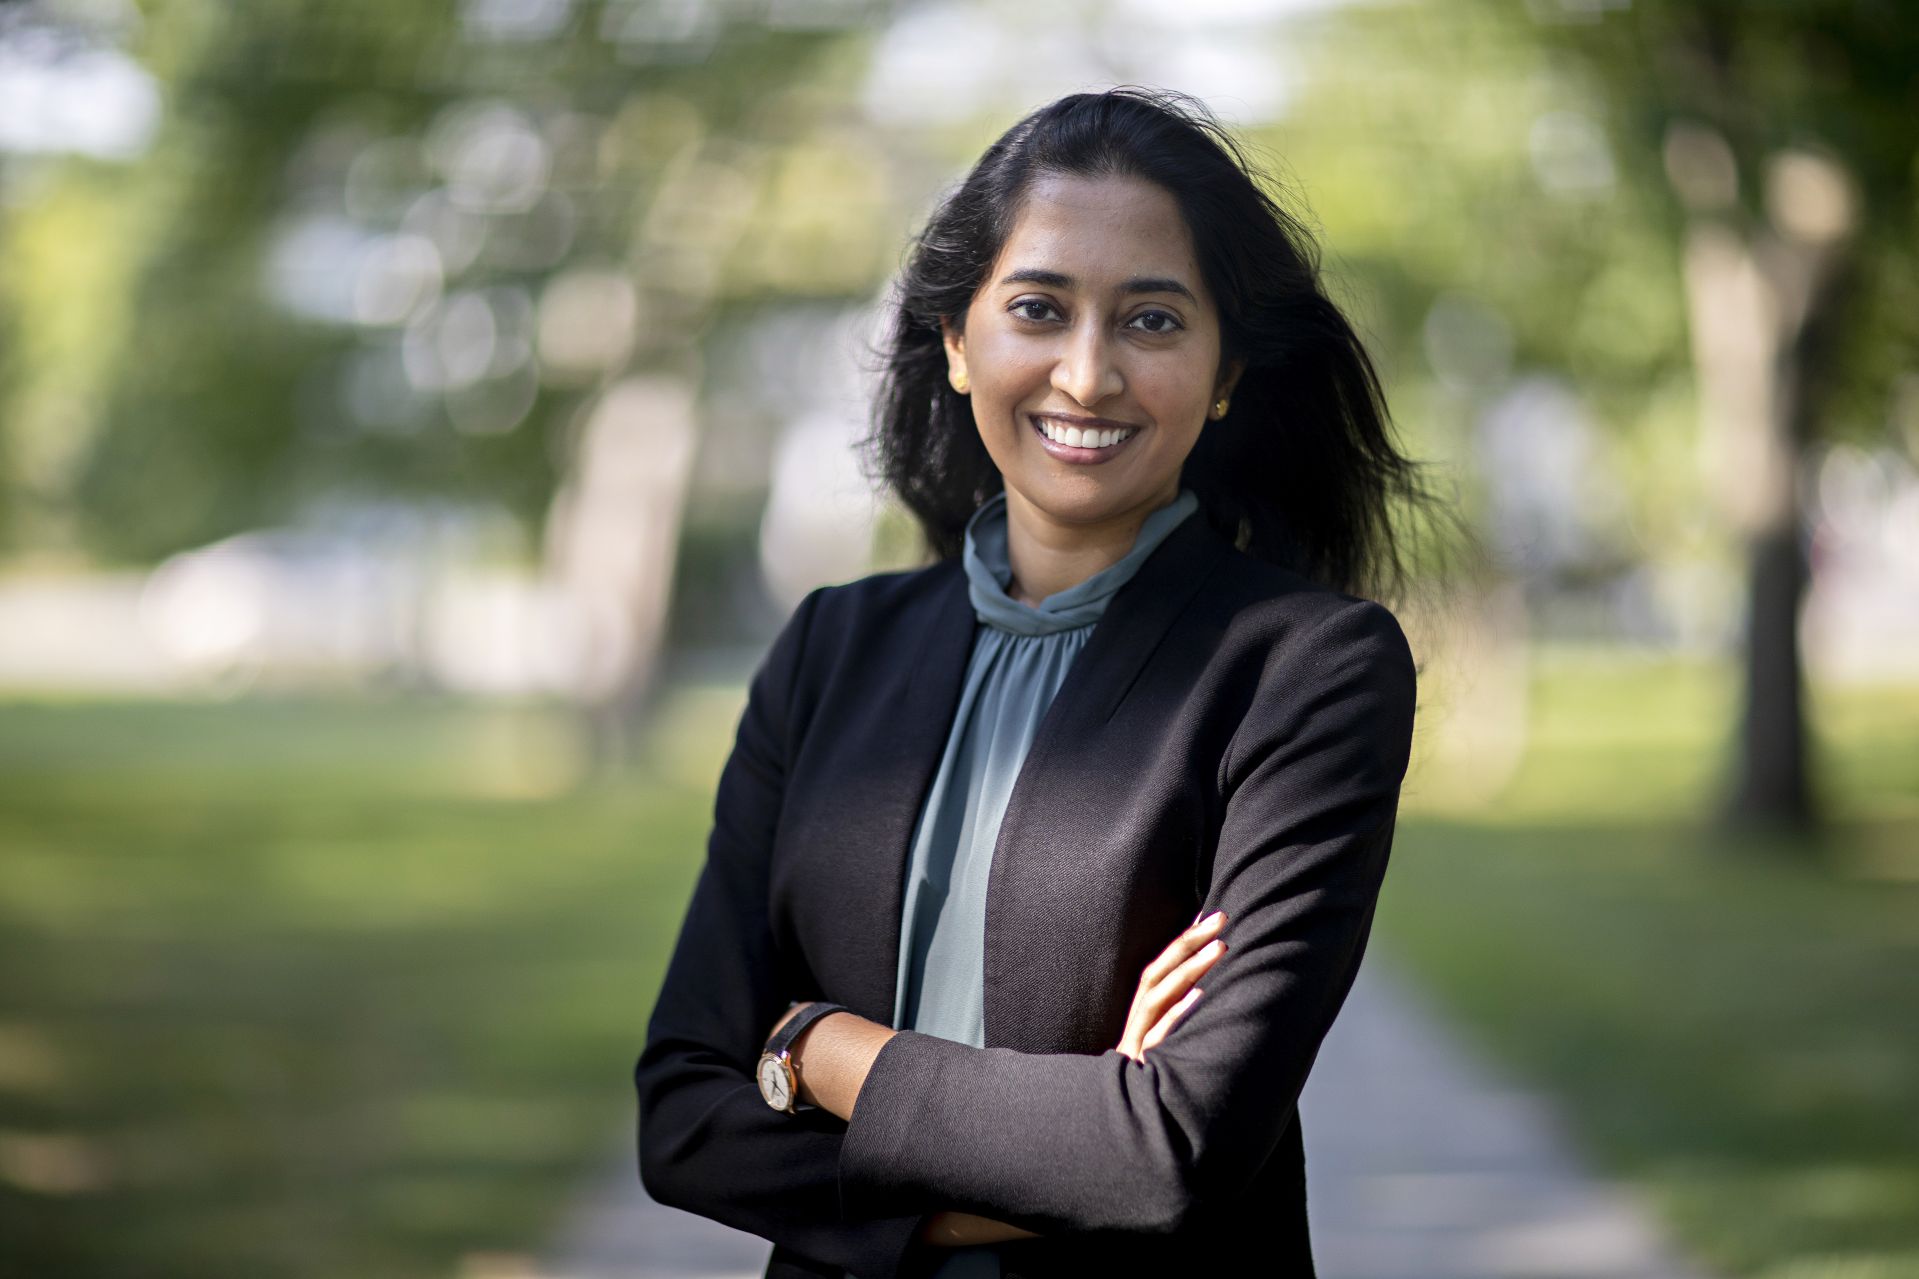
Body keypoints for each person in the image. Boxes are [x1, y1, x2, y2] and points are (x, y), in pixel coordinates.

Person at [635, 85, 1449, 1279]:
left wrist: (816, 1045)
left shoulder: (1306, 670)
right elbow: (683, 1118)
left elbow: (1168, 1150)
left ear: (1224, 370)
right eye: (1037, 308)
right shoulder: (829, 648)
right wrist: (1040, 1162)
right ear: (959, 343)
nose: (1086, 373)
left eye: (1153, 321)